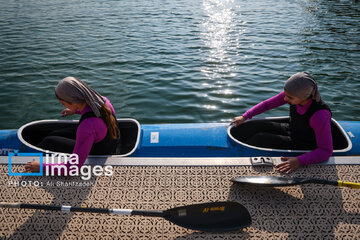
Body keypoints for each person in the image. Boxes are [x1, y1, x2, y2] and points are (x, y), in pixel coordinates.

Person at [231, 72, 333, 174]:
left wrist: (299, 161)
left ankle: (237, 161)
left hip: (304, 144)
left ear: (303, 97)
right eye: (286, 94)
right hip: (292, 129)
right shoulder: (295, 95)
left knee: (260, 138)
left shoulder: (319, 115)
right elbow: (267, 104)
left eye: (289, 97)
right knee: (258, 125)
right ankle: (238, 148)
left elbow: (326, 151)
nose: (285, 99)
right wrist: (245, 116)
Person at [25, 76, 120, 174]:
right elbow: (93, 111)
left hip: (99, 151)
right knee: (55, 133)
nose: (63, 106)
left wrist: (41, 167)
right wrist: (75, 110)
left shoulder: (87, 127)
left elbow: (72, 168)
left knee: (49, 141)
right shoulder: (102, 101)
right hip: (108, 141)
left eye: (63, 103)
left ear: (73, 102)